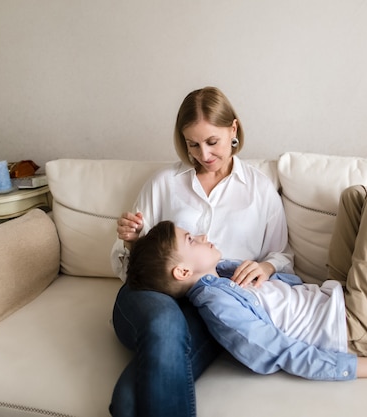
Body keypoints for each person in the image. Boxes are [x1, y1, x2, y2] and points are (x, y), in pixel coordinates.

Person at [124, 184, 367, 388]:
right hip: (354, 325)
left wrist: (265, 267)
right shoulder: (218, 305)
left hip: (336, 296)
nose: (200, 236)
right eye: (190, 239)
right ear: (183, 271)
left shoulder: (224, 275)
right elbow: (283, 354)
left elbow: (284, 285)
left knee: (356, 197)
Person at [109, 87, 294, 417]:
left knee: (127, 403)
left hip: (212, 302)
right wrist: (131, 242)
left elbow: (282, 254)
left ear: (233, 130)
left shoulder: (259, 188)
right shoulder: (163, 183)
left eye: (213, 142)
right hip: (152, 294)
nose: (203, 155)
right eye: (192, 144)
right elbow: (129, 268)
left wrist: (265, 268)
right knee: (165, 322)